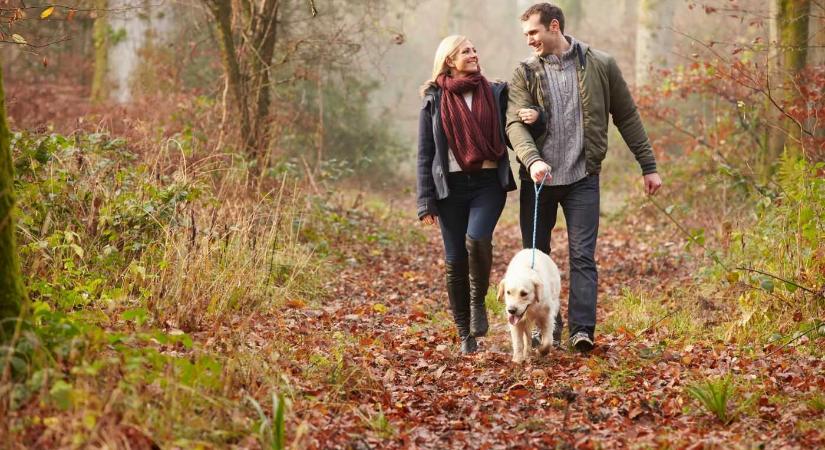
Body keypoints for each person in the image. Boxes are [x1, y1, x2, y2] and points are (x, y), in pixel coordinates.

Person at [506, 3, 663, 353]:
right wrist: (532, 161)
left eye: (533, 32)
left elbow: (627, 115)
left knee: (582, 257)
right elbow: (514, 124)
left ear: (554, 27)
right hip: (539, 180)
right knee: (536, 258)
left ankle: (581, 330)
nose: (529, 40)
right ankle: (542, 330)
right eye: (526, 35)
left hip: (582, 178)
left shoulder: (600, 65)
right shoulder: (524, 73)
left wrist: (648, 165)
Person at [416, 35, 543, 354]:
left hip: (488, 184)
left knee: (477, 238)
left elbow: (516, 132)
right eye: (466, 51)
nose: (474, 54)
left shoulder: (496, 92)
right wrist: (425, 200)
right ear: (449, 60)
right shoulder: (433, 99)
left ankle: (478, 301)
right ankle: (464, 334)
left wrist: (535, 120)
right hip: (450, 190)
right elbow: (425, 153)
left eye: (474, 49)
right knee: (455, 260)